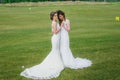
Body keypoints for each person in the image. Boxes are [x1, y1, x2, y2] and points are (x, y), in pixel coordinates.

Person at [20, 11, 64, 80]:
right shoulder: (54, 23)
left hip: (57, 38)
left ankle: (57, 61)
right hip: (55, 38)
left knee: (56, 50)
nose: (56, 16)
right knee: (55, 50)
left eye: (56, 15)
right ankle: (55, 63)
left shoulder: (55, 22)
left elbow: (54, 31)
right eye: (55, 16)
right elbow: (55, 32)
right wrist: (61, 27)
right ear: (52, 17)